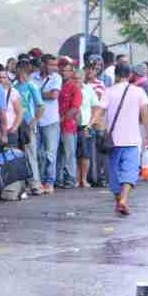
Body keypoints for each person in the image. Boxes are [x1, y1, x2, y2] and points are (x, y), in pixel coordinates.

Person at [104, 64, 148, 216]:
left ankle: (119, 201)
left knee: (114, 171)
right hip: (132, 139)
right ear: (130, 75)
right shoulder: (139, 91)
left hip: (113, 140)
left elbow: (99, 110)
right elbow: (145, 115)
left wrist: (90, 124)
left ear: (116, 76)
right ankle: (123, 199)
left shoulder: (109, 91)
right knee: (130, 170)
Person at [13, 59, 45, 195]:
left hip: (27, 124)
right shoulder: (15, 86)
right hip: (16, 123)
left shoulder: (32, 86)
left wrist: (35, 120)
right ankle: (23, 183)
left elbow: (41, 105)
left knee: (31, 154)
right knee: (19, 154)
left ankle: (35, 184)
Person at [36, 54, 62, 194]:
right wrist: (42, 93)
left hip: (51, 120)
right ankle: (37, 181)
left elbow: (53, 95)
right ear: (43, 64)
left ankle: (49, 181)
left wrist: (35, 93)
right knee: (37, 153)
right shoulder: (33, 77)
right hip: (35, 120)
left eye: (55, 65)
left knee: (50, 154)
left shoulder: (56, 77)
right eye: (51, 64)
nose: (54, 68)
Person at [56, 57, 82, 189]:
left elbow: (75, 108)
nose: (63, 72)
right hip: (54, 125)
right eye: (62, 70)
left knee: (69, 153)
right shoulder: (56, 85)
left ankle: (71, 179)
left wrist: (62, 119)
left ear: (71, 73)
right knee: (57, 153)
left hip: (68, 126)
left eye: (67, 70)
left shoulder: (74, 88)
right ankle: (59, 179)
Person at [77, 68, 101, 188]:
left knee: (85, 154)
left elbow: (96, 107)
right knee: (74, 154)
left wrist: (91, 124)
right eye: (75, 78)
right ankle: (76, 178)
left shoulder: (88, 89)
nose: (77, 81)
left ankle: (84, 179)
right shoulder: (68, 88)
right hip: (72, 125)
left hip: (85, 125)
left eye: (79, 78)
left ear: (83, 78)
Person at [0, 65, 24, 147]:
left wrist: (15, 127)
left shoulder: (12, 92)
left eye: (4, 77)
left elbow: (20, 112)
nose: (1, 80)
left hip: (10, 130)